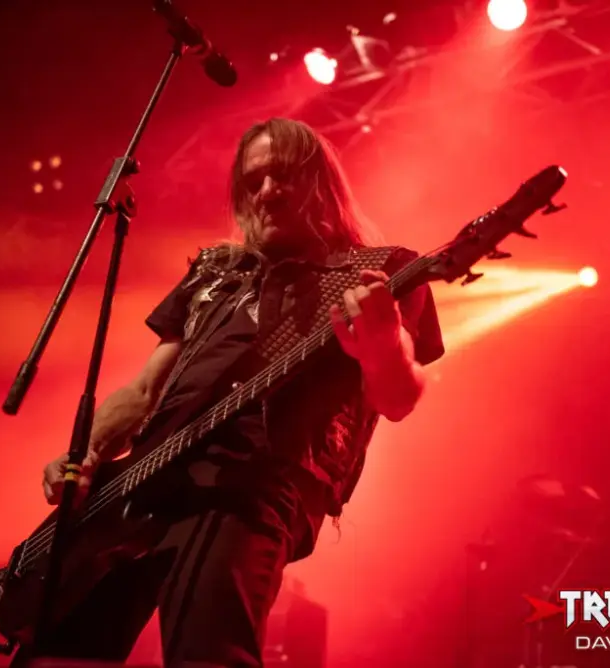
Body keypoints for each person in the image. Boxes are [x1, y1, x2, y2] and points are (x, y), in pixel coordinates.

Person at [25, 118, 444, 667]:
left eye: (283, 175)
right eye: (253, 181)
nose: (267, 192)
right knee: (54, 652)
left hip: (251, 483)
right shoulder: (215, 270)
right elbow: (145, 389)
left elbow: (399, 399)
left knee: (207, 654)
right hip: (140, 482)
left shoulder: (381, 271)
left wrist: (384, 341)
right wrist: (87, 457)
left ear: (321, 183)